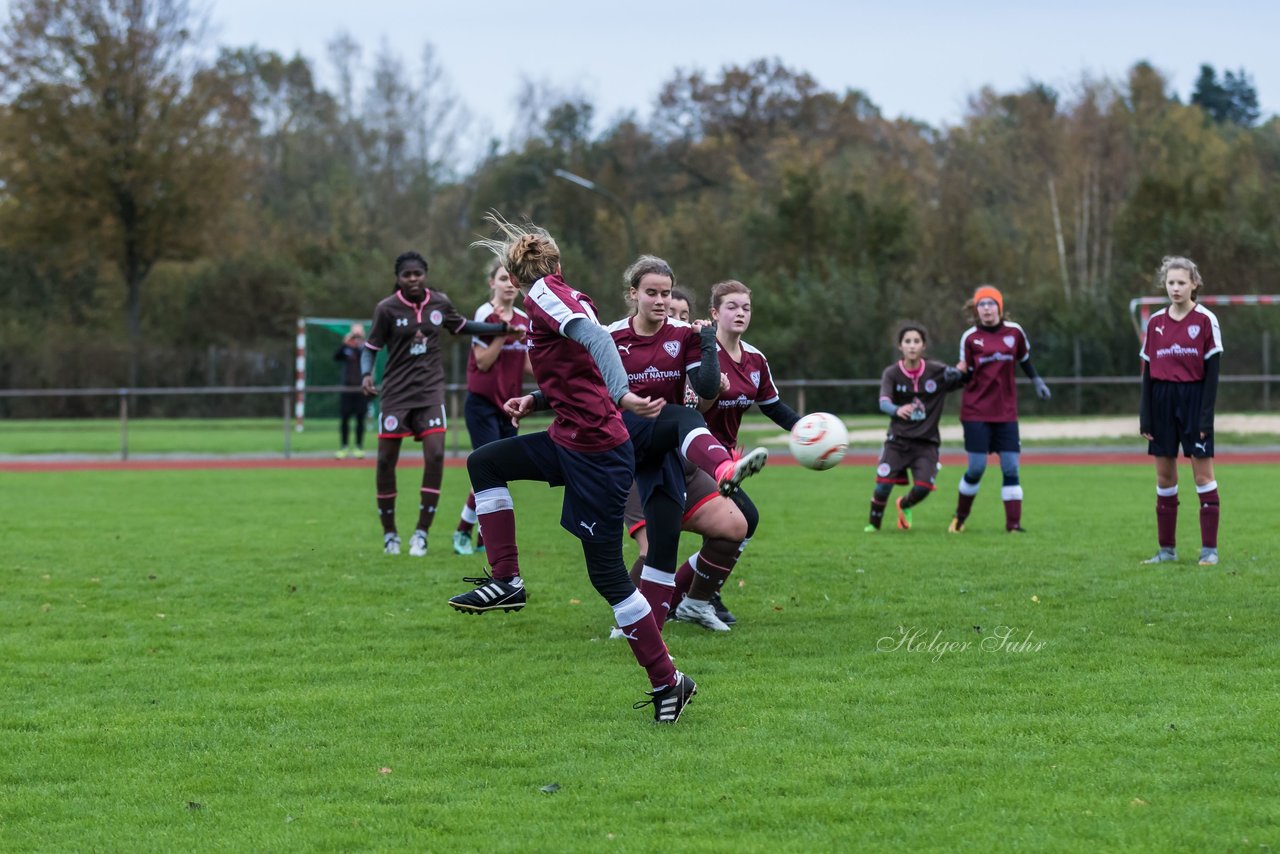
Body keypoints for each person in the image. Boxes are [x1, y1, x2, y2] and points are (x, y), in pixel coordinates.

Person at [446, 215, 699, 723]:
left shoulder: (543, 295)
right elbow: (580, 368)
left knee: (607, 576)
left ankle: (671, 682)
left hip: (598, 455)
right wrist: (537, 400)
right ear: (559, 263)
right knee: (485, 462)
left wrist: (625, 392)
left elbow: (599, 344)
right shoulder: (561, 292)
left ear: (514, 280)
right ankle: (508, 581)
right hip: (571, 439)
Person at [606, 258, 753, 634]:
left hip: (678, 454)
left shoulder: (683, 336)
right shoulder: (611, 337)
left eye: (667, 294)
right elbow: (583, 388)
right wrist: (537, 400)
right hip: (633, 459)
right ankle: (628, 621)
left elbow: (701, 395)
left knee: (735, 526)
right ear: (633, 294)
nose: (661, 301)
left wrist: (706, 345)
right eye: (652, 293)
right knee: (655, 547)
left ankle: (696, 604)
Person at [361, 251, 517, 557]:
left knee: (435, 456)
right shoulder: (386, 309)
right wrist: (366, 373)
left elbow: (464, 327)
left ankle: (421, 533)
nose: (413, 279)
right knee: (384, 462)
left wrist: (501, 329)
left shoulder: (440, 303)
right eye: (407, 275)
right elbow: (370, 347)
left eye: (418, 274)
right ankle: (390, 534)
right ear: (399, 278)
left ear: (425, 275)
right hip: (395, 395)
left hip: (430, 393)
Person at [674, 278, 802, 625]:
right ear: (714, 313)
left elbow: (773, 406)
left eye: (745, 307)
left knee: (740, 525)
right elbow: (689, 409)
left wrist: (805, 430)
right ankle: (690, 597)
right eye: (731, 306)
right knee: (740, 523)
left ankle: (693, 596)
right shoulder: (700, 353)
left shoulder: (756, 360)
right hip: (691, 456)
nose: (740, 313)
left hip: (728, 460)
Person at [1139, 256, 1223, 566]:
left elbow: (1212, 375)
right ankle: (1166, 551)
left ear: (1194, 284)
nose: (1175, 288)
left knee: (1203, 476)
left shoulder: (1205, 320)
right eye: (1170, 282)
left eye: (1181, 282)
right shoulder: (1155, 323)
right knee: (1164, 478)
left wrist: (1205, 418)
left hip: (1193, 400)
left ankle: (1209, 551)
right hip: (1161, 401)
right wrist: (1145, 416)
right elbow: (1147, 373)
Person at [948, 285, 1051, 533]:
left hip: (1005, 412)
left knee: (1010, 467)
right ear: (976, 310)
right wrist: (954, 376)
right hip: (975, 411)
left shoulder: (1014, 333)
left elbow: (1024, 360)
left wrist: (1037, 380)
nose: (986, 308)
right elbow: (966, 372)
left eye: (990, 303)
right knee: (976, 468)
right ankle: (960, 518)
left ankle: (1013, 526)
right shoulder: (970, 337)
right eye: (981, 304)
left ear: (999, 307)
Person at [452, 260, 532, 556]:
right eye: (503, 279)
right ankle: (468, 532)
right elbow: (484, 362)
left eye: (513, 280)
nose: (510, 284)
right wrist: (503, 334)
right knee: (489, 471)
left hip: (509, 407)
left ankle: (477, 533)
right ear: (492, 283)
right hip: (482, 405)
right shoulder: (485, 315)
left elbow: (527, 366)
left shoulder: (525, 319)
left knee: (501, 472)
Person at [864, 322, 966, 532]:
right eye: (907, 341)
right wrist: (896, 410)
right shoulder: (891, 373)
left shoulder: (936, 371)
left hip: (926, 443)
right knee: (883, 484)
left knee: (924, 487)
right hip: (897, 441)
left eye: (916, 341)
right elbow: (883, 402)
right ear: (900, 346)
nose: (912, 345)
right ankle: (873, 527)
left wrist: (960, 371)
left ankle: (904, 504)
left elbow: (961, 378)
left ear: (924, 346)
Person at [333, 324, 368, 459]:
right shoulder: (346, 348)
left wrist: (360, 344)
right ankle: (344, 447)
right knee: (345, 419)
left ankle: (359, 447)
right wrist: (346, 343)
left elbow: (366, 356)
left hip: (361, 389)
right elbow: (336, 357)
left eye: (358, 334)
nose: (356, 337)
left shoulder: (365, 348)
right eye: (354, 334)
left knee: (360, 419)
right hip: (347, 389)